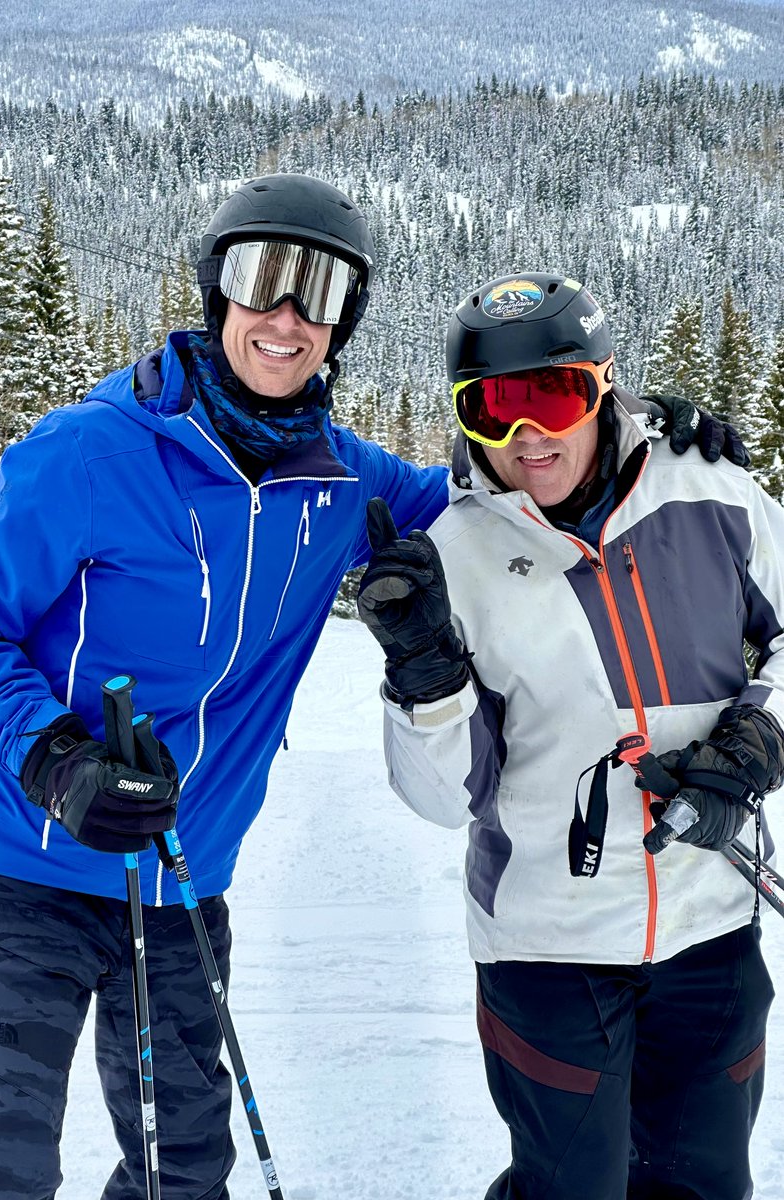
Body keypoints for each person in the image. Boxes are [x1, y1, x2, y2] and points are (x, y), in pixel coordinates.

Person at [0, 182, 742, 1200]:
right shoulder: (92, 451)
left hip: (180, 879)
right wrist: (50, 755)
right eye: (264, 280)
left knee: (183, 1169)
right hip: (21, 863)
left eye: (322, 289)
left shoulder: (345, 485)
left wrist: (649, 439)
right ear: (218, 293)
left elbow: (510, 496)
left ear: (344, 319)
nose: (287, 317)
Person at [356, 271, 784, 1199]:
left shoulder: (709, 490)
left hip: (711, 918)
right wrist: (424, 681)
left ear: (604, 385)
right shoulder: (455, 555)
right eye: (492, 410)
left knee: (704, 1183)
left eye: (551, 395)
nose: (527, 436)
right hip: (547, 947)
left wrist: (756, 738)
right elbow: (438, 799)